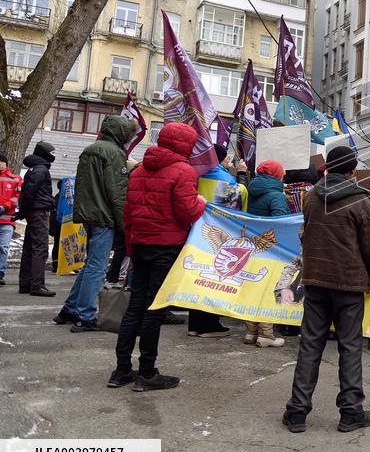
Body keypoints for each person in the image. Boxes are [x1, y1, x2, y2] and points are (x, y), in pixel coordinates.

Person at [283, 146, 370, 434]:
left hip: (315, 280)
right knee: (350, 346)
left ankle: (297, 411)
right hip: (349, 283)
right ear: (352, 172)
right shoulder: (363, 202)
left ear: (327, 168)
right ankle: (351, 411)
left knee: (310, 344)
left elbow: (307, 232)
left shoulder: (311, 197)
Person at [109, 123, 207, 391]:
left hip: (140, 244)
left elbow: (128, 213)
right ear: (185, 145)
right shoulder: (184, 171)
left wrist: (130, 248)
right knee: (155, 309)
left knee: (135, 306)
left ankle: (121, 369)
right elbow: (187, 211)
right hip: (166, 247)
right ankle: (148, 372)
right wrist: (201, 202)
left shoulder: (139, 170)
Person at [56, 116, 133, 330]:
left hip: (88, 215)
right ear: (121, 133)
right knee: (97, 268)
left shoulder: (90, 149)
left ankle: (70, 309)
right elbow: (117, 193)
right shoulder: (115, 154)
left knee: (90, 266)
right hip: (104, 217)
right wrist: (122, 225)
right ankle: (86, 315)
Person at [187, 144, 249, 339]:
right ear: (220, 159)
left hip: (197, 232)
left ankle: (195, 324)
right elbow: (238, 197)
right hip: (218, 235)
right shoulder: (221, 177)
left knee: (198, 278)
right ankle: (208, 325)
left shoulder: (197, 173)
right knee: (212, 278)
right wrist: (241, 175)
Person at [244, 160, 291, 348]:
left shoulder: (251, 190)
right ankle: (266, 333)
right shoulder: (276, 195)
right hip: (271, 249)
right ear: (277, 175)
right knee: (269, 290)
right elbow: (280, 222)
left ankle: (250, 331)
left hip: (252, 248)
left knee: (254, 289)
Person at [18, 142, 57, 297]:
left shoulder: (34, 169)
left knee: (29, 248)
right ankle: (37, 285)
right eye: (52, 152)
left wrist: (23, 212)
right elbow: (29, 193)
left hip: (33, 213)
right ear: (44, 153)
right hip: (39, 213)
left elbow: (28, 193)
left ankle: (25, 283)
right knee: (40, 249)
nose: (54, 155)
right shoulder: (41, 170)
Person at [0, 153, 21, 287]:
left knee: (3, 247)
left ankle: (0, 274)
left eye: (2, 162)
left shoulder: (15, 179)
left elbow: (18, 197)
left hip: (7, 221)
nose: (0, 164)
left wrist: (5, 206)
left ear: (6, 164)